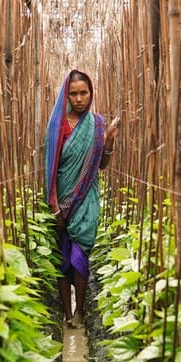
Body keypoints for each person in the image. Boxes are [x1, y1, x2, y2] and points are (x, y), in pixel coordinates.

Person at [44, 69, 120, 328]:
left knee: (80, 260)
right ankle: (66, 313)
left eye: (83, 93)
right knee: (62, 261)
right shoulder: (58, 126)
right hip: (60, 203)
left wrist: (108, 139)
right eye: (73, 93)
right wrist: (54, 205)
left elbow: (102, 166)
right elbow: (50, 167)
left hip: (86, 201)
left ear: (91, 93)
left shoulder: (97, 124)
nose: (79, 99)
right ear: (66, 95)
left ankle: (81, 312)